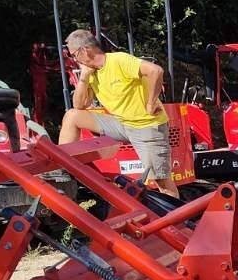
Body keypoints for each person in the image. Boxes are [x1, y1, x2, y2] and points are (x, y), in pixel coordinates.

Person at [57, 29, 179, 198]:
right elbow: (79, 105)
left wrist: (151, 102)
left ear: (84, 50)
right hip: (122, 124)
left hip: (146, 126)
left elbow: (156, 71)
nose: (74, 60)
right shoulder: (91, 73)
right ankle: (60, 167)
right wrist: (84, 77)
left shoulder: (119, 60)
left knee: (161, 181)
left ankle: (178, 219)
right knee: (72, 116)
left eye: (73, 55)